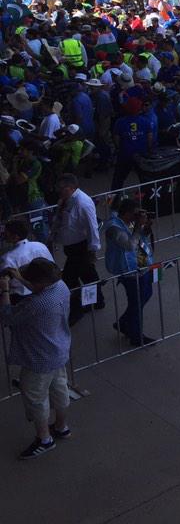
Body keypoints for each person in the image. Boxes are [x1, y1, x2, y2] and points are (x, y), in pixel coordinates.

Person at [0, 258, 72, 459]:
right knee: (60, 390)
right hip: (58, 351)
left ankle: (44, 439)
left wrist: (5, 289)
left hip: (38, 359)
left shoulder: (36, 304)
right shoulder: (60, 286)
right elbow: (39, 288)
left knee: (36, 399)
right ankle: (61, 426)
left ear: (40, 282)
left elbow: (6, 317)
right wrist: (21, 278)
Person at [51, 173, 102, 326]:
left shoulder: (82, 203)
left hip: (80, 247)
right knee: (89, 276)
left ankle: (77, 309)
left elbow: (92, 228)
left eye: (62, 188)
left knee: (68, 280)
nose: (59, 191)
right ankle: (97, 300)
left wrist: (92, 249)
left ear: (71, 188)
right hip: (71, 246)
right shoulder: (66, 200)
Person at [104, 198, 156, 347]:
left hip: (142, 264)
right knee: (136, 302)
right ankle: (136, 336)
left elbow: (142, 238)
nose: (137, 217)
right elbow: (129, 245)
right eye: (135, 214)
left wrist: (146, 228)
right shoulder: (114, 228)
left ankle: (124, 323)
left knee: (145, 295)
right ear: (126, 214)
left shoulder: (132, 222)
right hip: (129, 271)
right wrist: (139, 226)